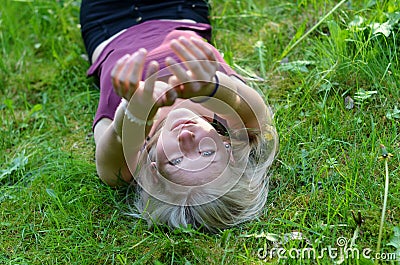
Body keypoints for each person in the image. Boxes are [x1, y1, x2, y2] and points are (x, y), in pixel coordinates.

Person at [80, 0, 278, 232]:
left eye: (176, 161)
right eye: (206, 152)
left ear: (154, 172)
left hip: (108, 23)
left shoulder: (123, 167)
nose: (186, 138)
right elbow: (250, 106)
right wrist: (210, 85)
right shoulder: (236, 119)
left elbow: (116, 142)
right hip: (179, 9)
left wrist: (136, 112)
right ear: (227, 148)